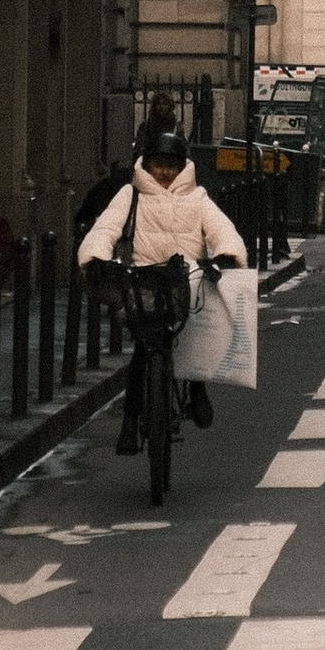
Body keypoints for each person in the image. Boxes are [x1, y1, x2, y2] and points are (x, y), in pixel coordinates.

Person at [77, 109, 248, 448]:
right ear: (147, 164)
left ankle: (197, 390)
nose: (165, 172)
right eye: (158, 164)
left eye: (172, 165)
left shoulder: (197, 199)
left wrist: (227, 254)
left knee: (198, 327)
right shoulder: (131, 195)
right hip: (141, 281)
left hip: (185, 280)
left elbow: (221, 228)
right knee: (144, 349)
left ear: (184, 167)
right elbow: (107, 227)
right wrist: (96, 257)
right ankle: (130, 420)